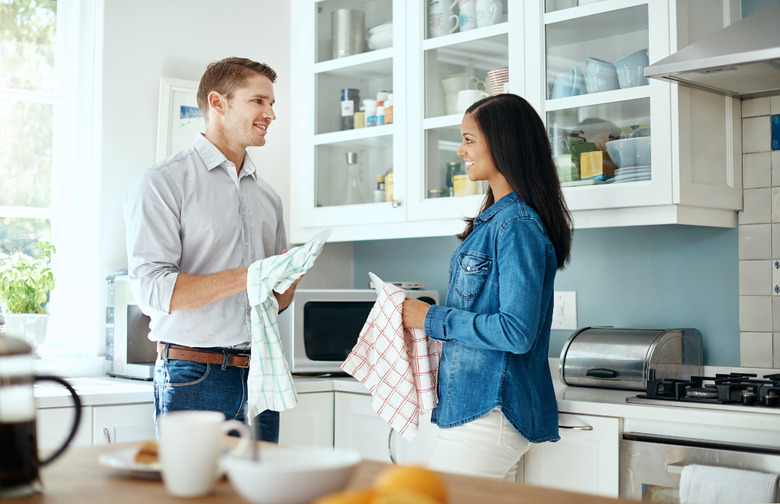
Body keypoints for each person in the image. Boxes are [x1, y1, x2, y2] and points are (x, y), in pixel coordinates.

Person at [402, 93, 573, 480]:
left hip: (491, 410)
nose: (461, 150)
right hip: (476, 408)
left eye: (468, 139)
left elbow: (516, 332)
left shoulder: (516, 226)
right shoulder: (496, 221)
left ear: (503, 142)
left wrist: (431, 318)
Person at [124, 57, 295, 442]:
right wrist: (250, 276)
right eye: (258, 101)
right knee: (195, 483)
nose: (270, 114)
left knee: (263, 481)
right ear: (218, 103)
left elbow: (275, 302)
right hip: (194, 376)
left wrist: (290, 276)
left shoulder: (268, 197)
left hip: (261, 374)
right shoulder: (162, 182)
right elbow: (153, 291)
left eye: (271, 104)